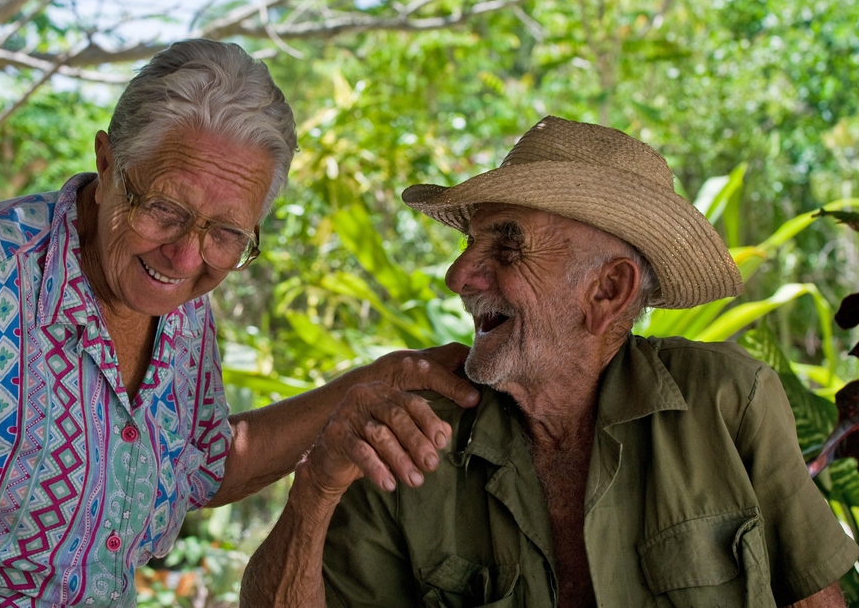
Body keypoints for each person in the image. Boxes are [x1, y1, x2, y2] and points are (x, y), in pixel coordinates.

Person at [0, 39, 478, 608]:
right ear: (107, 162)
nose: (185, 254)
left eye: (226, 232)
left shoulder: (181, 309)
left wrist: (370, 383)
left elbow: (204, 463)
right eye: (164, 210)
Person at [241, 116, 859, 608]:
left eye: (507, 244)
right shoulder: (411, 441)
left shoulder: (728, 401)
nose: (459, 275)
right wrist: (317, 486)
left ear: (608, 292)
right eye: (468, 244)